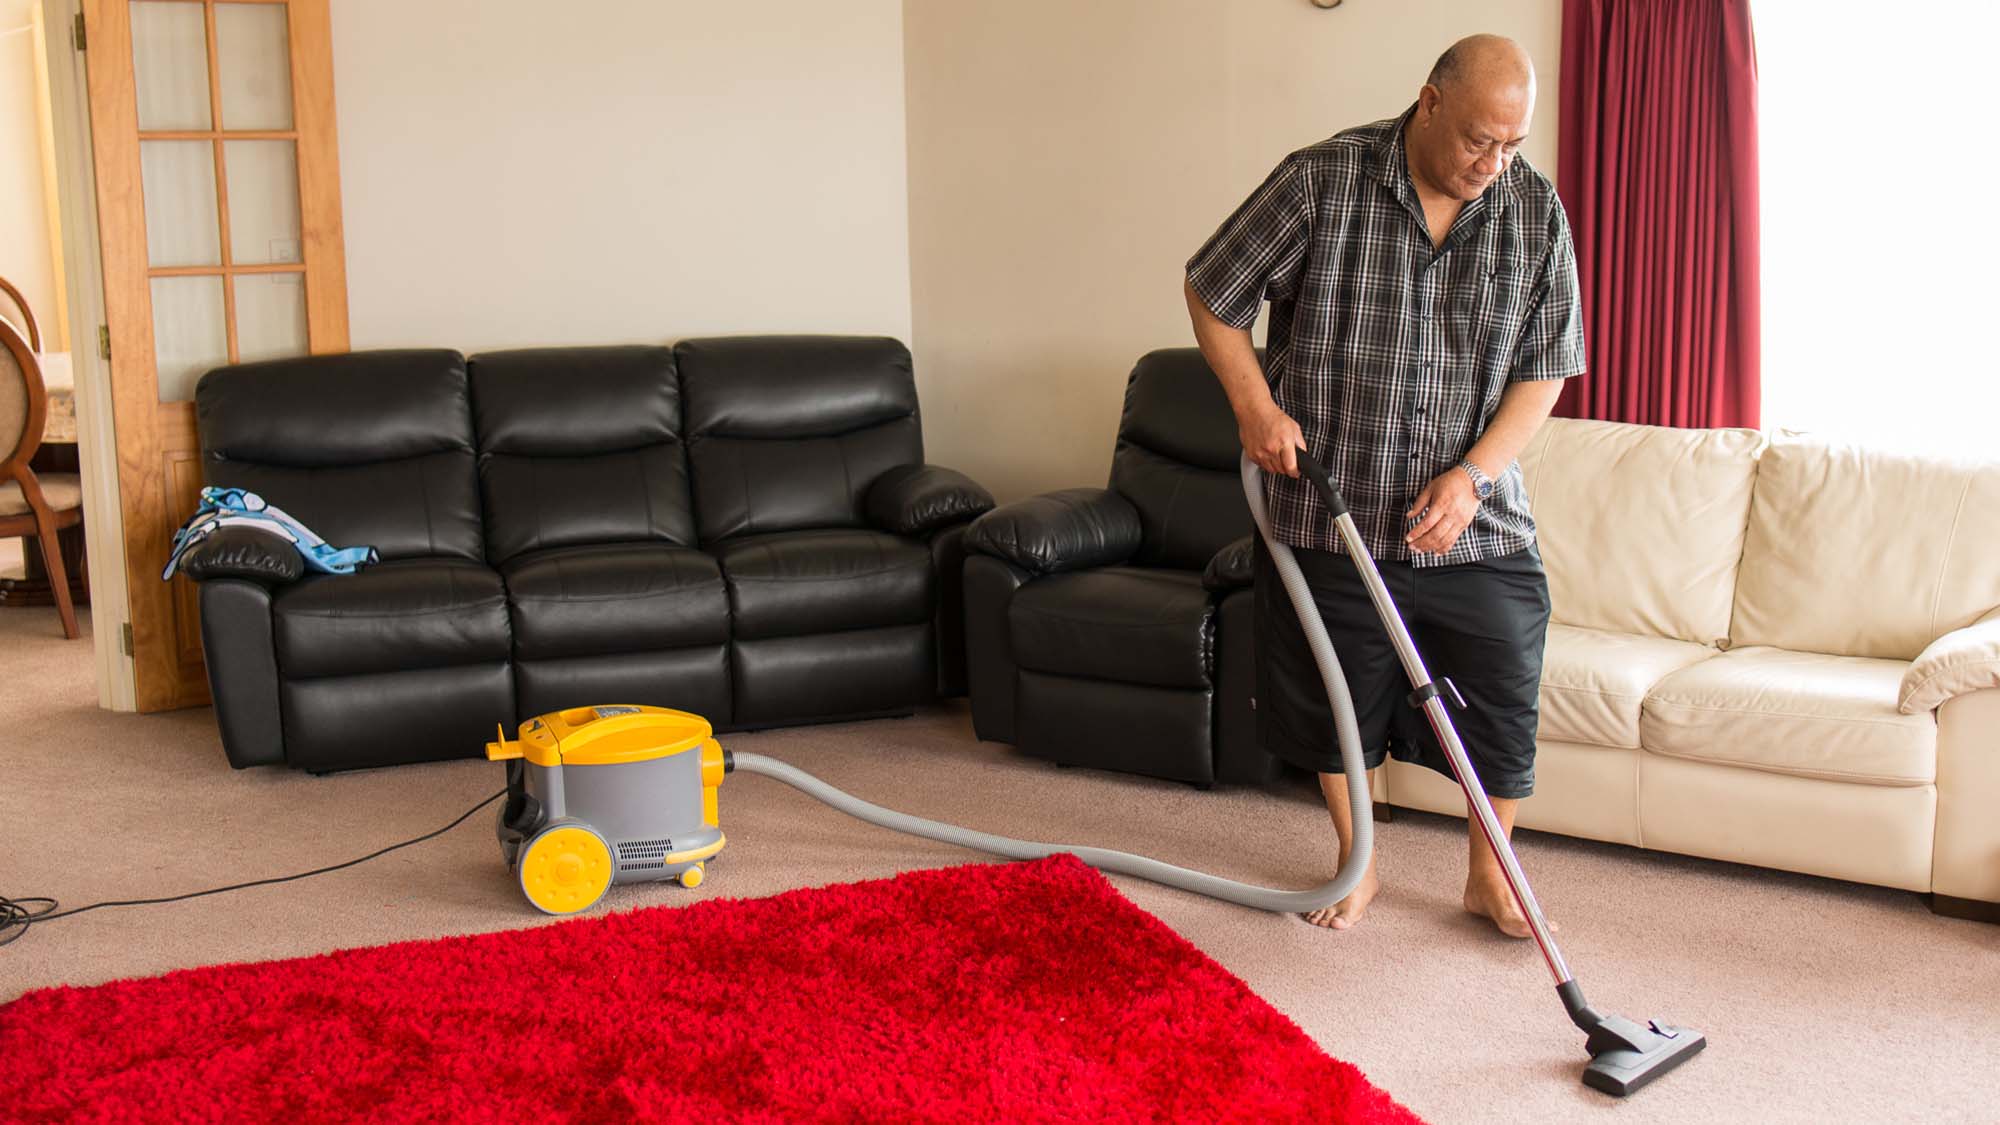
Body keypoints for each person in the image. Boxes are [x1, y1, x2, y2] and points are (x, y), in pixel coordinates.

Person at [1183, 34, 1584, 937]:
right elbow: (1214, 290)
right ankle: (1354, 861)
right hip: (1332, 513)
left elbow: (1545, 370)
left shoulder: (1531, 210)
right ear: (1430, 102)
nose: (1495, 163)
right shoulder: (1322, 180)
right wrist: (1253, 405)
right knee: (1339, 700)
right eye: (1481, 138)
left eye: (1513, 144)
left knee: (1502, 685)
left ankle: (1490, 875)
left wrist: (1476, 477)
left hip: (1472, 521)